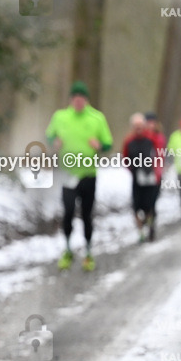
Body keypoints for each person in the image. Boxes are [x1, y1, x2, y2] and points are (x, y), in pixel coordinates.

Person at [46, 80, 113, 271]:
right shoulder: (60, 117)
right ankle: (68, 250)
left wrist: (100, 145)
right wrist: (54, 141)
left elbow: (108, 143)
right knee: (67, 212)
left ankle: (88, 252)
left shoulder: (97, 118)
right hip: (67, 173)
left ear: (87, 100)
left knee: (86, 214)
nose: (78, 101)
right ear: (70, 99)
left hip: (88, 174)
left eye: (81, 98)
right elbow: (49, 136)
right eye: (75, 98)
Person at [122, 112, 165, 242]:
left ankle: (150, 228)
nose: (138, 128)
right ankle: (141, 231)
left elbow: (159, 155)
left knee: (149, 206)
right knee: (136, 207)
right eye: (136, 126)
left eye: (140, 125)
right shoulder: (129, 141)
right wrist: (132, 170)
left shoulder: (152, 139)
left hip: (151, 178)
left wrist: (157, 171)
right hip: (136, 178)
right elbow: (125, 158)